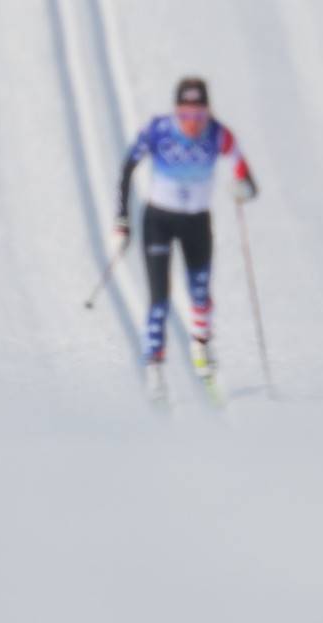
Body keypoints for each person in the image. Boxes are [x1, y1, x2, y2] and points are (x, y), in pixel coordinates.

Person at [114, 76, 257, 398]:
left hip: (196, 222)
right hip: (159, 221)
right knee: (159, 298)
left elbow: (247, 178)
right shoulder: (158, 130)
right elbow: (126, 168)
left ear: (208, 112)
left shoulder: (220, 134)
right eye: (186, 115)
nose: (192, 123)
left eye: (199, 115)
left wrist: (243, 187)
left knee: (200, 293)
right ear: (176, 112)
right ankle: (154, 366)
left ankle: (202, 351)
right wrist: (122, 219)